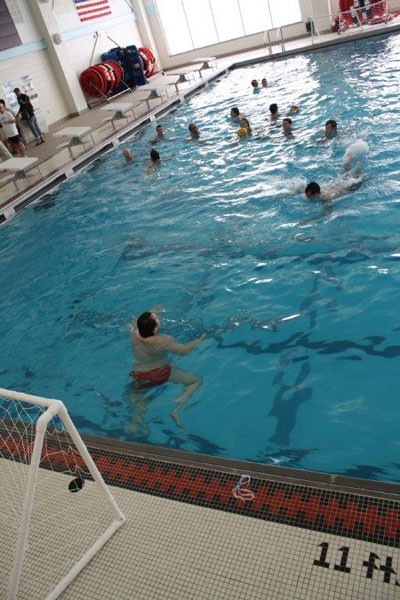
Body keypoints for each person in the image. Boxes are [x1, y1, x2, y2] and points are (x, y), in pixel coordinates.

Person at [129, 306, 206, 428]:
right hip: (160, 373)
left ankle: (136, 418)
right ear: (156, 327)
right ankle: (177, 406)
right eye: (156, 319)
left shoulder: (134, 334)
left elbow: (135, 322)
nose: (158, 318)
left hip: (139, 375)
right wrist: (199, 339)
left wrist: (154, 310)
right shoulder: (163, 340)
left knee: (137, 397)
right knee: (196, 381)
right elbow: (183, 351)